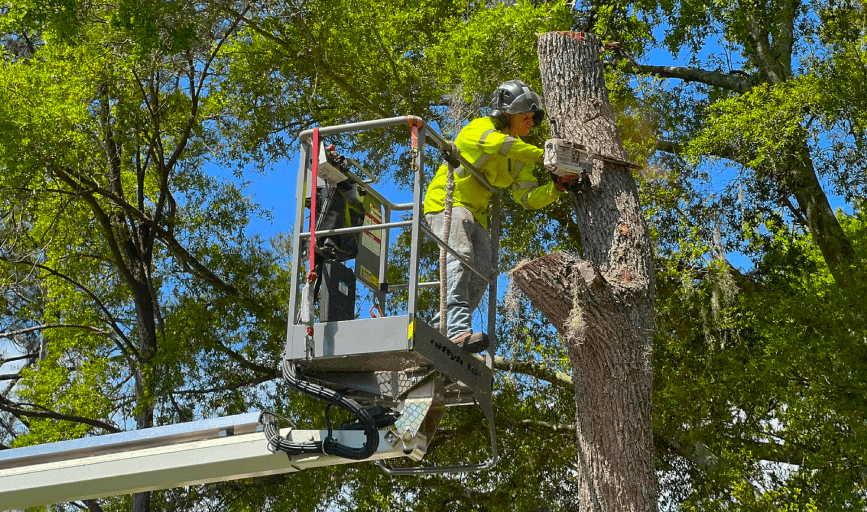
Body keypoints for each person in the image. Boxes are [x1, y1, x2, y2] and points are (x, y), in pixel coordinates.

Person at [424, 79, 574, 352]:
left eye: (533, 118)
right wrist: (547, 156)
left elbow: (527, 198)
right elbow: (499, 146)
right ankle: (457, 329)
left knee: (482, 271)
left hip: (477, 215)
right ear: (507, 114)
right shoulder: (479, 129)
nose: (531, 123)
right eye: (525, 117)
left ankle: (440, 327)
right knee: (460, 258)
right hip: (447, 204)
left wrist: (556, 186)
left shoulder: (519, 154)